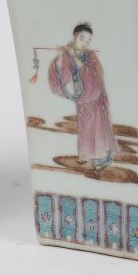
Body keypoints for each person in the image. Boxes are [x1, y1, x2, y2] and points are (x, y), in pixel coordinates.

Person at [48, 23, 119, 169]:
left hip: (96, 96)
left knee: (98, 126)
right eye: (82, 38)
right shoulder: (67, 54)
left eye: (88, 41)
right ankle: (86, 154)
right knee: (84, 126)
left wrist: (76, 58)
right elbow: (62, 75)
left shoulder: (90, 55)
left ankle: (102, 156)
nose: (85, 43)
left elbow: (96, 73)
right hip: (81, 97)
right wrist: (61, 57)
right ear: (74, 37)